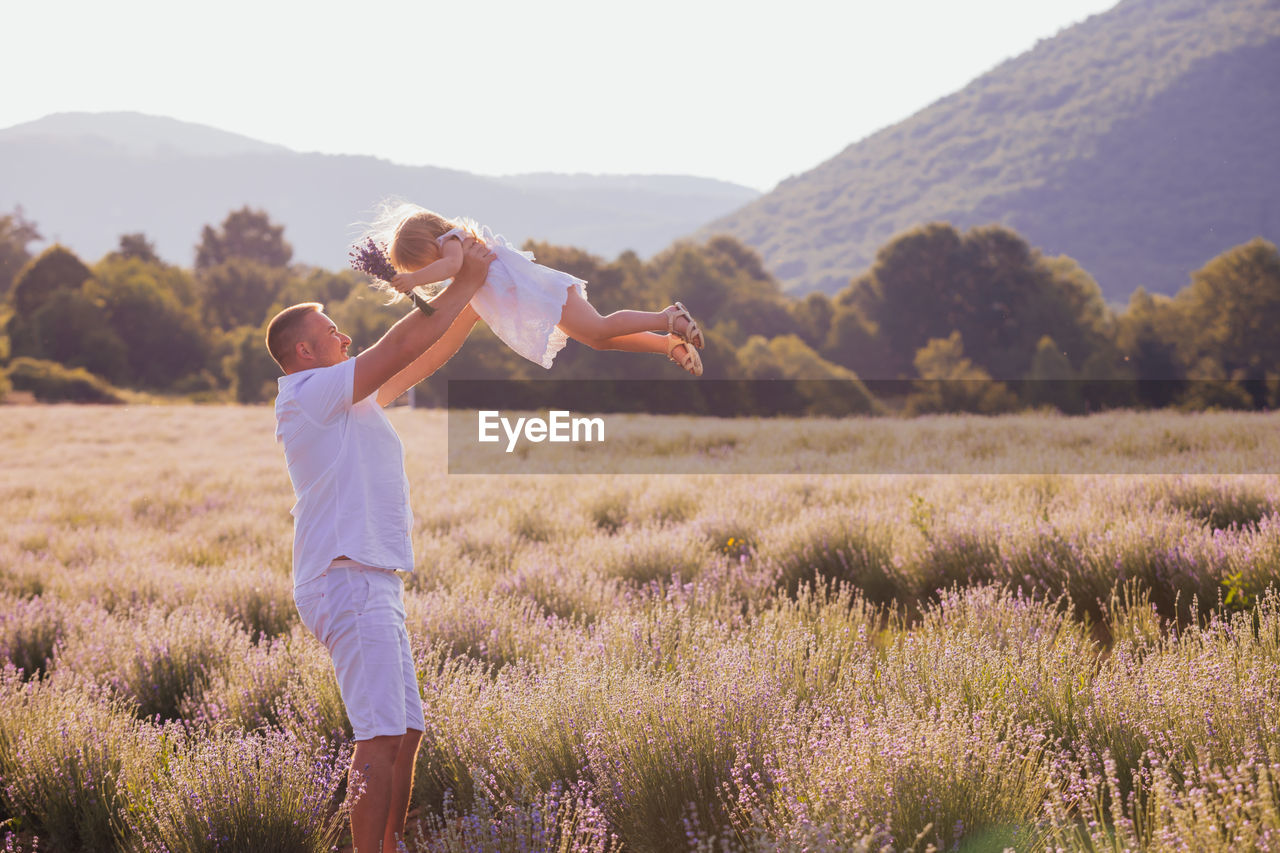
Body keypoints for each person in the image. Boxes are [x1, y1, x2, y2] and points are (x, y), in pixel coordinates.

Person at [266, 237, 495, 852]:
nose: (346, 340)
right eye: (335, 334)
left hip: (372, 577)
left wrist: (475, 300)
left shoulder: (349, 397)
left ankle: (390, 846)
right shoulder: (311, 394)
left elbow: (421, 353)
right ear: (305, 351)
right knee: (378, 734)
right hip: (345, 576)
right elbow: (398, 345)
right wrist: (463, 282)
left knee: (405, 732)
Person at [368, 202, 706, 376]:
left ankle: (667, 318)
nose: (426, 271)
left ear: (429, 241)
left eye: (421, 262)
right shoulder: (458, 245)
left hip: (543, 294)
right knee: (597, 340)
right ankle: (667, 346)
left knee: (600, 327)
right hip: (539, 299)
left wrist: (414, 281)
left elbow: (451, 268)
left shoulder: (451, 241)